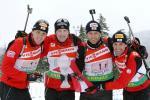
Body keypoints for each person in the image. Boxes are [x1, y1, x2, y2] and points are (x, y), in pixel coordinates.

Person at [0, 19, 49, 100]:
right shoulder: (20, 43)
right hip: (9, 85)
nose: (40, 36)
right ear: (32, 31)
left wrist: (32, 74)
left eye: (43, 34)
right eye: (38, 32)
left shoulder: (41, 47)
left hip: (23, 87)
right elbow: (5, 68)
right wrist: (27, 76)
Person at [43, 18, 85, 100]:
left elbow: (81, 62)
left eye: (65, 30)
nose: (62, 34)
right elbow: (36, 41)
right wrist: (23, 38)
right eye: (59, 31)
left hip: (68, 88)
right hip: (51, 87)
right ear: (55, 32)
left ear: (68, 31)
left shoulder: (75, 42)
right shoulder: (48, 40)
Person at [104, 31, 150, 100]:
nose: (117, 47)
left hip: (141, 90)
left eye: (121, 44)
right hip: (127, 90)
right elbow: (107, 39)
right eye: (115, 44)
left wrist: (102, 86)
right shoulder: (114, 52)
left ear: (126, 45)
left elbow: (121, 83)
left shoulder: (133, 57)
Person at [80, 20, 114, 100]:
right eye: (90, 33)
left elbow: (123, 46)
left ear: (100, 34)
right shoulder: (83, 48)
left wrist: (140, 48)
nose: (93, 36)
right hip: (88, 89)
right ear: (86, 34)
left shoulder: (108, 44)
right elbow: (77, 68)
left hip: (105, 90)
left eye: (96, 33)